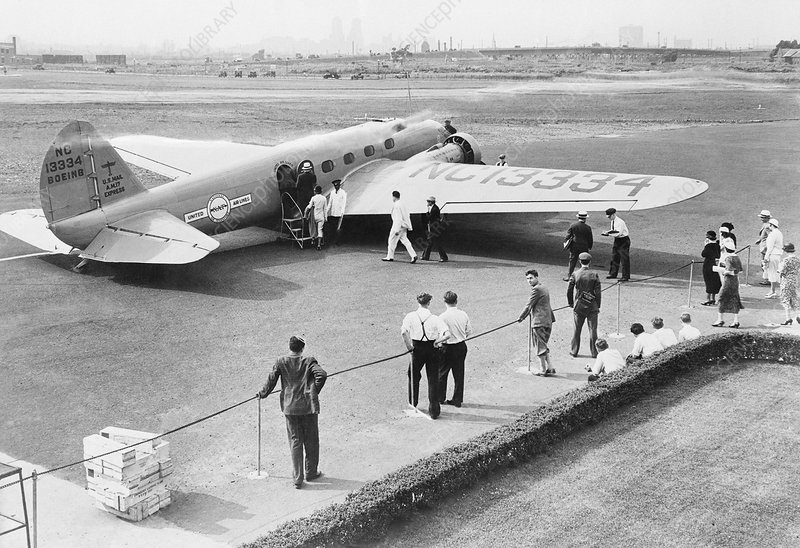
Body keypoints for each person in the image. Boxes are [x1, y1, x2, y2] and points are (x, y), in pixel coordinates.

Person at [257, 336, 327, 489]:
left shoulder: (281, 361)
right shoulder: (309, 361)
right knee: (311, 441)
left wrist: (262, 393)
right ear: (302, 348)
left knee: (295, 441)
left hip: (290, 408)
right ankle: (311, 472)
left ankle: (297, 479)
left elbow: (271, 380)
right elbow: (321, 375)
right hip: (308, 408)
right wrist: (313, 391)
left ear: (290, 347)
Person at [402, 293, 450, 419]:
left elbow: (403, 332)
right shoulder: (434, 318)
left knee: (413, 376)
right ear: (429, 303)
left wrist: (409, 347)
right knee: (433, 378)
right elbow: (447, 334)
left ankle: (413, 405)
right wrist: (437, 341)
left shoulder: (411, 316)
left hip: (417, 349)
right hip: (432, 349)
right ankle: (434, 411)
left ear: (418, 303)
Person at [517, 269, 556, 376]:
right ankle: (551, 367)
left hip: (539, 321)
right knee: (543, 344)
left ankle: (542, 370)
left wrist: (521, 317)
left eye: (531, 278)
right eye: (527, 279)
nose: (529, 281)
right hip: (548, 320)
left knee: (540, 346)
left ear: (536, 277)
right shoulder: (544, 287)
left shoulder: (536, 289)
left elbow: (528, 305)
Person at [438, 291, 472, 408]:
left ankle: (440, 398)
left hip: (447, 347)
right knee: (459, 373)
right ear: (456, 301)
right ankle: (457, 400)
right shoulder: (463, 314)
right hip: (461, 346)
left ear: (444, 302)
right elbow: (469, 332)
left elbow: (440, 334)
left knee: (442, 373)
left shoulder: (442, 317)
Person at [567, 252, 601, 358]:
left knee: (577, 329)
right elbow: (598, 292)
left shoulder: (575, 274)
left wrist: (571, 303)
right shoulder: (594, 274)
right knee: (593, 330)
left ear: (579, 261)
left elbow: (569, 289)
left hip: (579, 304)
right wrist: (598, 305)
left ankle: (574, 351)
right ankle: (595, 352)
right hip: (592, 305)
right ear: (589, 262)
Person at [712, 239, 744, 328]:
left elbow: (729, 270)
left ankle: (720, 319)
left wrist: (724, 271)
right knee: (734, 298)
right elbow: (739, 270)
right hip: (735, 281)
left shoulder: (728, 258)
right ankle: (736, 320)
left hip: (728, 281)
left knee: (721, 298)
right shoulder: (736, 257)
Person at [383, 190, 418, 263]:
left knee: (391, 241)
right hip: (404, 225)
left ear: (393, 197)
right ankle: (413, 255)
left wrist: (396, 229)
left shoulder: (396, 205)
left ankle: (390, 256)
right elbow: (406, 215)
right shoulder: (402, 204)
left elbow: (398, 218)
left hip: (398, 226)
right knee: (405, 241)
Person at [601, 208, 630, 281]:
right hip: (617, 240)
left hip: (623, 240)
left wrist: (608, 234)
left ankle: (625, 276)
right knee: (614, 256)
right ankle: (613, 273)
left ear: (613, 214)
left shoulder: (620, 222)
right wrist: (608, 232)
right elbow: (613, 230)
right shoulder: (613, 221)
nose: (609, 218)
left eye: (609, 216)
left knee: (624, 259)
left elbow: (618, 233)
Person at [564, 211, 593, 281]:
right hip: (584, 247)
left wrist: (566, 242)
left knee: (572, 261)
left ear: (578, 217)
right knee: (583, 262)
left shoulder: (573, 226)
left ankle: (570, 276)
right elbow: (590, 239)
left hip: (574, 246)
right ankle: (583, 277)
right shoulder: (588, 227)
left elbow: (568, 236)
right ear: (585, 218)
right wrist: (590, 246)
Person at [778, 243, 800, 325]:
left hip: (786, 281)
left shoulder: (786, 260)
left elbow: (782, 272)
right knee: (795, 299)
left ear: (786, 251)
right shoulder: (798, 259)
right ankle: (798, 315)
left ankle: (788, 318)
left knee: (785, 299)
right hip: (795, 280)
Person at [421, 196, 448, 262]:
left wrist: (427, 213)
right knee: (430, 242)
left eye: (428, 201)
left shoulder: (435, 209)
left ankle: (443, 257)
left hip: (435, 228)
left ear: (431, 202)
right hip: (433, 228)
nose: (427, 203)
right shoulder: (433, 208)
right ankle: (426, 256)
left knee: (436, 243)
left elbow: (429, 218)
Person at [764, 218, 784, 298]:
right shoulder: (779, 233)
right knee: (774, 272)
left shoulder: (773, 234)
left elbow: (770, 247)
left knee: (772, 272)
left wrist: (766, 257)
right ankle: (773, 291)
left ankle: (773, 291)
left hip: (772, 255)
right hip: (777, 255)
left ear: (771, 225)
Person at [701, 230, 721, 306]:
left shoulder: (708, 246)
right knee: (714, 281)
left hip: (708, 264)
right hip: (716, 264)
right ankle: (713, 298)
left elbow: (703, 254)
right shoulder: (717, 245)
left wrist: (705, 246)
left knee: (708, 281)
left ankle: (708, 299)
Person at [304, 185, 327, 250]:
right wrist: (326, 217)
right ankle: (319, 245)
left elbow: (309, 207)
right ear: (321, 191)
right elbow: (325, 209)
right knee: (320, 230)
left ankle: (313, 238)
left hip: (315, 216)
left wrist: (305, 214)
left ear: (315, 191)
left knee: (312, 227)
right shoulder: (324, 198)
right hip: (321, 216)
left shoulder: (313, 198)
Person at [325, 179, 347, 246]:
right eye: (335, 186)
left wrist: (342, 212)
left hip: (339, 213)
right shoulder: (332, 192)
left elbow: (344, 203)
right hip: (333, 213)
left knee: (339, 228)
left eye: (337, 185)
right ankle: (333, 240)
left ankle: (338, 241)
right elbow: (330, 203)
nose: (336, 187)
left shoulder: (343, 193)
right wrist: (326, 211)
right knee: (333, 228)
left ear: (339, 185)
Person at [756, 210, 772, 286]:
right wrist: (759, 240)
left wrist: (766, 247)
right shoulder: (765, 224)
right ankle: (768, 279)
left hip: (765, 248)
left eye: (762, 217)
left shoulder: (767, 226)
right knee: (763, 263)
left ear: (766, 218)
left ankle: (768, 279)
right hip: (764, 246)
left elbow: (770, 236)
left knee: (764, 264)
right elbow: (764, 235)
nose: (761, 219)